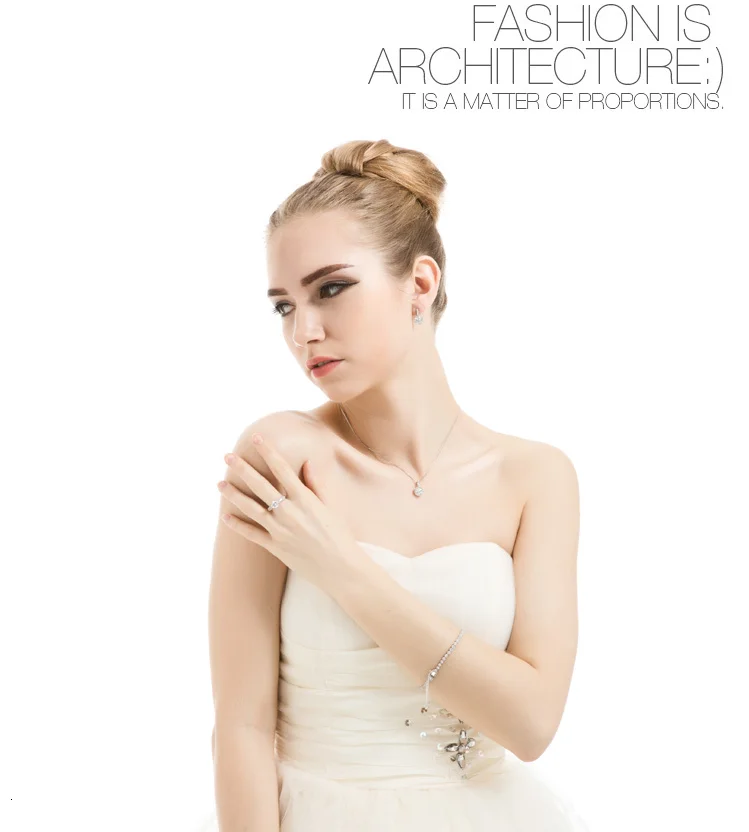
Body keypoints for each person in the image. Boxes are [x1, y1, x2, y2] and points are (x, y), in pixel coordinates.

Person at [199, 139, 591, 831]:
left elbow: (531, 725)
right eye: (284, 306)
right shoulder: (281, 456)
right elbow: (242, 725)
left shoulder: (535, 478)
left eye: (330, 288)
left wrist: (342, 569)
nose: (304, 331)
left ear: (420, 284)